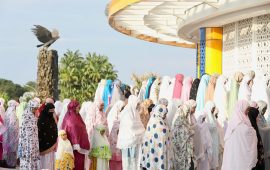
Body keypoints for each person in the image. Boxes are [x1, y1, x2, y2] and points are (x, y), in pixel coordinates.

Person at [222, 100, 257, 170]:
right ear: (241, 109)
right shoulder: (239, 124)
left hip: (236, 155)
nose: (247, 112)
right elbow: (249, 132)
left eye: (248, 110)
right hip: (238, 155)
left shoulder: (233, 123)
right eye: (246, 110)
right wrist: (252, 131)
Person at [141, 104, 173, 170]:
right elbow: (163, 135)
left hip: (154, 151)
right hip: (158, 151)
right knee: (159, 164)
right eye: (164, 114)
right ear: (159, 113)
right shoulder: (159, 124)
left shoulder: (152, 122)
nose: (165, 116)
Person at [117, 95, 145, 170]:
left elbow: (140, 126)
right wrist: (139, 133)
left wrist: (140, 133)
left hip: (135, 142)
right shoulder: (127, 112)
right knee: (127, 162)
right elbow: (130, 126)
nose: (138, 106)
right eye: (137, 104)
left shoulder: (135, 113)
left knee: (135, 162)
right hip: (128, 142)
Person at [61, 100, 90, 170]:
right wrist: (76, 143)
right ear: (73, 108)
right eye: (78, 107)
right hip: (72, 148)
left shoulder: (78, 117)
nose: (79, 109)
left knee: (80, 164)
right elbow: (71, 131)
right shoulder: (70, 118)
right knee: (74, 164)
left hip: (80, 146)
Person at [18, 99, 40, 169]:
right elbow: (24, 131)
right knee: (27, 158)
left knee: (32, 159)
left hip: (33, 141)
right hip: (26, 142)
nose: (35, 110)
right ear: (30, 107)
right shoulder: (26, 115)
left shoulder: (32, 115)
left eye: (36, 109)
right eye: (34, 109)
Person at [172, 103, 194, 170]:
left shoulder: (184, 120)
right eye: (186, 112)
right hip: (180, 148)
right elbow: (184, 133)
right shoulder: (179, 120)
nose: (187, 114)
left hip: (185, 148)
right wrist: (191, 132)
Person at [38, 103, 58, 170]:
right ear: (47, 110)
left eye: (53, 111)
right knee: (43, 162)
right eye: (50, 111)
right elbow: (39, 132)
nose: (51, 113)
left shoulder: (52, 119)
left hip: (51, 145)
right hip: (43, 144)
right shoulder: (41, 120)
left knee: (50, 162)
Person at [107, 101, 125, 170]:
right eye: (121, 108)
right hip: (113, 143)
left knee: (119, 162)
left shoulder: (121, 116)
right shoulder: (112, 117)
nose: (122, 109)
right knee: (113, 162)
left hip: (120, 142)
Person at [3, 100, 19, 168]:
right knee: (12, 149)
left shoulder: (7, 112)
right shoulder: (12, 113)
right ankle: (11, 164)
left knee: (8, 148)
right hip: (12, 135)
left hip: (7, 135)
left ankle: (7, 162)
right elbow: (13, 125)